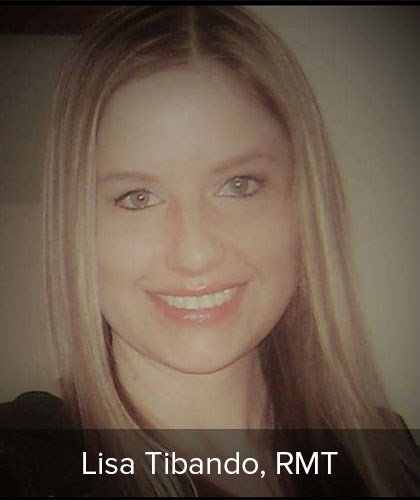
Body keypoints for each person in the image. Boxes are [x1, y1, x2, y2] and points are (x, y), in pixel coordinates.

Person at [1, 5, 419, 497]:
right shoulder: (29, 464)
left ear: (304, 204)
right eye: (138, 198)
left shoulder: (385, 449)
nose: (195, 254)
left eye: (239, 185)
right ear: (76, 227)